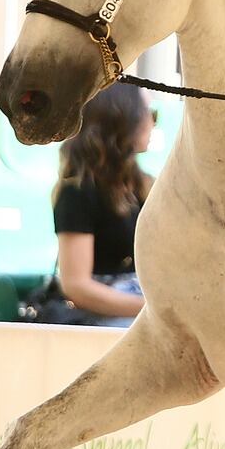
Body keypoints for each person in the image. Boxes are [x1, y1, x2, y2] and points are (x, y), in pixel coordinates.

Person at [32, 84, 152, 327]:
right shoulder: (77, 192)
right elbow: (77, 286)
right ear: (123, 121)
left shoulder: (145, 186)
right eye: (149, 115)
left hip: (135, 305)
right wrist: (152, 309)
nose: (153, 123)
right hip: (101, 315)